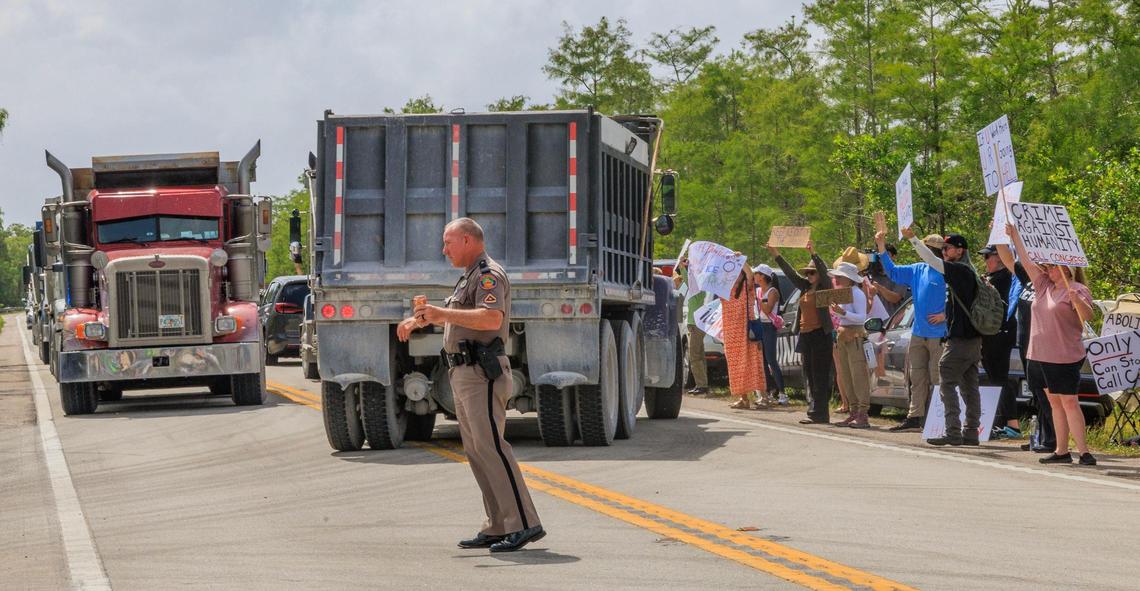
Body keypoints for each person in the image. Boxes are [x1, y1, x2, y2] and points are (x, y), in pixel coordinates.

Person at [397, 218, 545, 551]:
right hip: (463, 373)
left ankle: (524, 523)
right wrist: (421, 318)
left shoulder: (489, 275)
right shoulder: (468, 278)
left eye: (448, 243)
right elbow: (458, 315)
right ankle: (497, 524)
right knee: (478, 452)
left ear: (467, 240)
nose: (443, 249)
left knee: (492, 447)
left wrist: (441, 314)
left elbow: (491, 318)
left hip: (482, 372)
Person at [1006, 223, 1097, 466]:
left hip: (1063, 355)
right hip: (1038, 355)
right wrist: (1015, 236)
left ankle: (1084, 451)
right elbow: (1026, 263)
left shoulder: (1077, 289)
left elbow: (1087, 316)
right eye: (1047, 266)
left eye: (1053, 267)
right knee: (1054, 402)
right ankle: (1061, 449)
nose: (1048, 270)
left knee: (1069, 401)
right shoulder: (1043, 286)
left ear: (1067, 268)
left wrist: (1078, 301)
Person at [901, 229, 982, 446]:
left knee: (946, 382)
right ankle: (971, 432)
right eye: (943, 248)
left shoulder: (959, 270)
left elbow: (930, 259)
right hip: (973, 340)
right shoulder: (969, 271)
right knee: (969, 386)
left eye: (947, 249)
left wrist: (912, 239)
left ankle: (953, 432)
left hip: (960, 341)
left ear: (959, 250)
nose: (943, 252)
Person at [875, 230, 947, 433]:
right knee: (917, 377)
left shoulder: (945, 270)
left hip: (939, 334)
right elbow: (893, 272)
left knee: (938, 378)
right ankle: (915, 417)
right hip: (918, 332)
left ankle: (939, 419)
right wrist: (881, 247)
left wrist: (946, 315)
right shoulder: (917, 269)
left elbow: (959, 298)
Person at [995, 242, 1056, 453]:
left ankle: (1053, 439)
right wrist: (1001, 237)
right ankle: (1041, 436)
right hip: (1026, 346)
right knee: (1036, 393)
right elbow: (1008, 259)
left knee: (1047, 393)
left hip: (1044, 346)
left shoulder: (1049, 283)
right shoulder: (1028, 280)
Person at [770, 240, 833, 425]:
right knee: (808, 374)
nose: (810, 275)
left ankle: (821, 413)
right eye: (808, 272)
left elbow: (824, 272)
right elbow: (790, 274)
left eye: (813, 272)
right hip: (805, 335)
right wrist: (776, 254)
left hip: (821, 334)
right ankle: (812, 410)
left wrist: (813, 253)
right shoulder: (805, 287)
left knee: (820, 374)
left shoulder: (824, 287)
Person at [977, 245, 1020, 439]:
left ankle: (1012, 424)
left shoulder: (1006, 277)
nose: (985, 260)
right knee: (995, 378)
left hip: (1000, 333)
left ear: (1000, 257)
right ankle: (1005, 421)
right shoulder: (992, 277)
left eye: (988, 256)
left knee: (999, 377)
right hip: (992, 334)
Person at [828, 262, 871, 428]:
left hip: (855, 336)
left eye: (839, 276)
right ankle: (854, 411)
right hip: (845, 335)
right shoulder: (846, 293)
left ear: (848, 278)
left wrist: (843, 313)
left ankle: (862, 413)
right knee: (847, 374)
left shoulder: (857, 294)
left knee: (858, 375)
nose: (836, 278)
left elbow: (861, 317)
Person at [722, 265, 767, 409]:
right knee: (736, 365)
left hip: (746, 330)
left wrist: (741, 261)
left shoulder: (747, 287)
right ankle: (744, 399)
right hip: (731, 332)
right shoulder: (724, 289)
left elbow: (750, 274)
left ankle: (764, 398)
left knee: (753, 362)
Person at [753, 264, 787, 405]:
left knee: (771, 360)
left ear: (763, 276)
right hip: (760, 326)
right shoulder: (759, 290)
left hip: (769, 327)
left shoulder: (772, 291)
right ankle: (769, 392)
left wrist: (759, 301)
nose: (754, 276)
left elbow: (767, 309)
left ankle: (783, 393)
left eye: (757, 274)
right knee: (762, 361)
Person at [677, 257, 710, 395]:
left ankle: (701, 385)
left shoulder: (696, 287)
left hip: (695, 325)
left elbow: (686, 278)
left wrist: (682, 266)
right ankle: (702, 383)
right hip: (696, 325)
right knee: (700, 356)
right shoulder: (698, 287)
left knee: (695, 356)